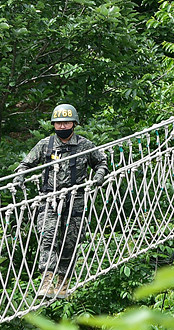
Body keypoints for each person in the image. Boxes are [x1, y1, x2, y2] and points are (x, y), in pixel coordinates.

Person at [13, 103, 109, 298]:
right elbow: (26, 164)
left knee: (70, 243)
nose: (62, 127)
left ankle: (63, 282)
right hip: (49, 199)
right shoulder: (45, 145)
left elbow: (101, 162)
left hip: (76, 200)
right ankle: (47, 280)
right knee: (48, 238)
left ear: (74, 123)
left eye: (66, 123)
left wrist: (99, 175)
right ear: (53, 125)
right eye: (58, 123)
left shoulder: (85, 145)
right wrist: (20, 175)